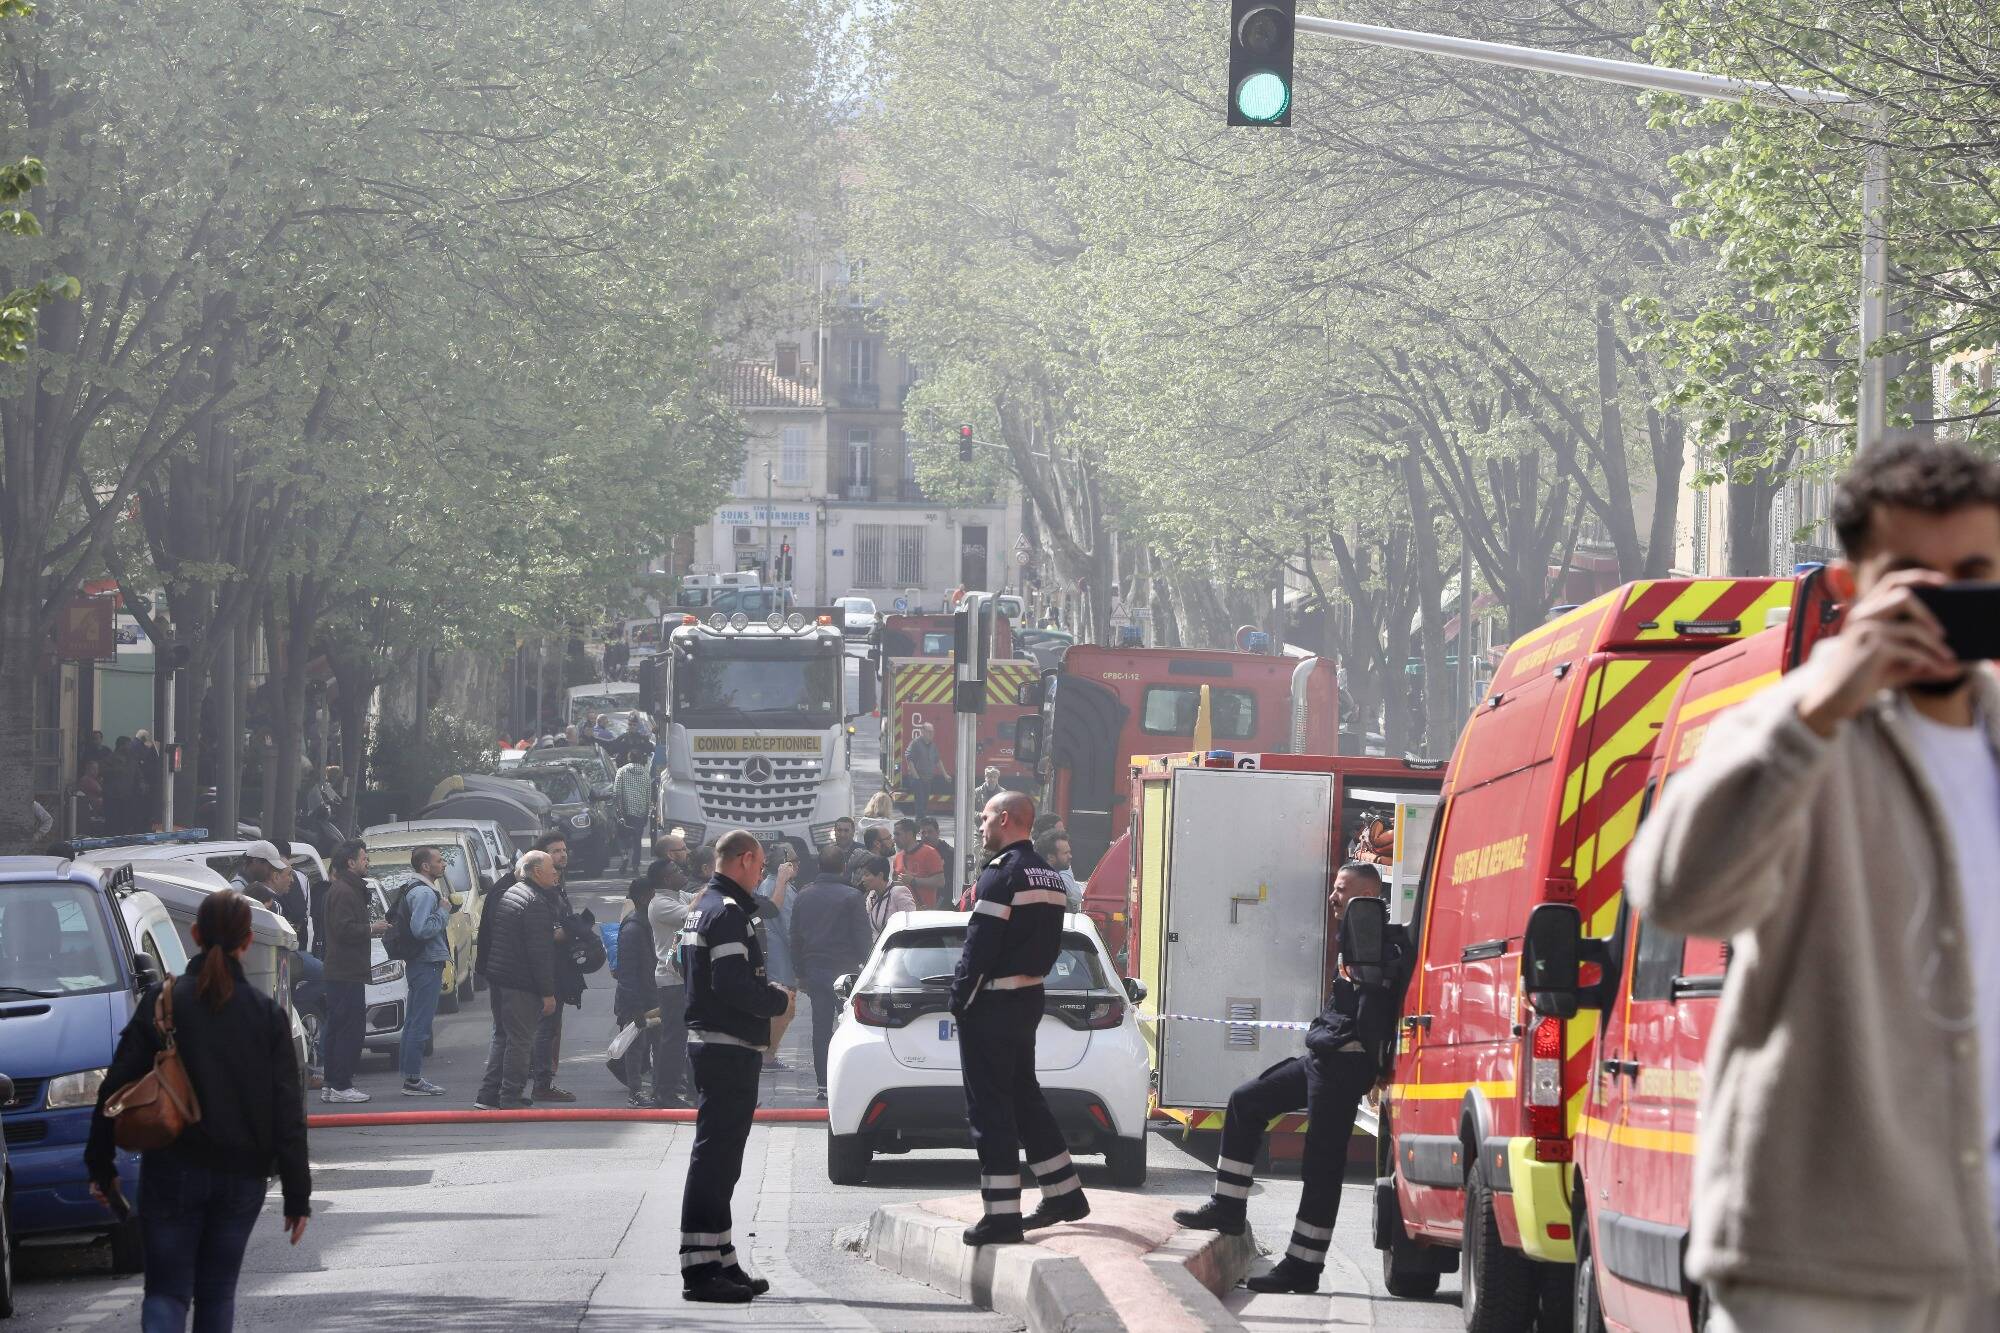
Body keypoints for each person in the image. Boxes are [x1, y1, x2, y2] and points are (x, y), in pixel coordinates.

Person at [1628, 438, 2000, 1332]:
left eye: (1975, 574)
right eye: (1914, 576)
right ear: (1849, 587)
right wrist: (1818, 707)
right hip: (1818, 1272)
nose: (1945, 600)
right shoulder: (1787, 738)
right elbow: (1679, 891)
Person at [1173, 863, 1409, 1292]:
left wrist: (1375, 1066)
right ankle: (1227, 1209)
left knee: (1321, 1163)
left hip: (1343, 1064)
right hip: (1323, 1057)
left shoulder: (1378, 943)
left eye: (1341, 890)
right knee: (1247, 1102)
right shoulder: (1357, 935)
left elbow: (1376, 1011)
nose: (1333, 898)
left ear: (1368, 893)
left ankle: (1302, 1268)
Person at [85, 890, 311, 1332]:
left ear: (194, 936)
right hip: (242, 1176)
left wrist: (100, 1166)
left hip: (172, 1168)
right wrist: (296, 1195)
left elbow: (113, 1089)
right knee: (217, 1294)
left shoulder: (163, 1002)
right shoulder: (266, 1015)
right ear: (247, 942)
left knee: (167, 1292)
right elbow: (287, 1111)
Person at [951, 791, 1089, 1247]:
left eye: (985, 817)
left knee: (990, 1109)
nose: (981, 826)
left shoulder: (999, 875)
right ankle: (1065, 1193)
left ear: (1005, 819)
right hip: (1028, 999)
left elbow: (980, 946)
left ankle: (1002, 1217)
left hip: (990, 1004)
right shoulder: (1049, 875)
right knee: (1025, 1098)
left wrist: (959, 999)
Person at [678, 829, 794, 1303]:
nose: (762, 874)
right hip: (724, 1045)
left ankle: (721, 1258)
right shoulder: (725, 913)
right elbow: (730, 984)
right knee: (715, 1158)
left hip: (721, 1044)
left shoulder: (708, 907)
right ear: (745, 860)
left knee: (724, 1160)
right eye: (762, 866)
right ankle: (701, 1272)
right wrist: (776, 999)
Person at [475, 850, 563, 1110]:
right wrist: (547, 993)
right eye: (551, 869)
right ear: (537, 872)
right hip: (520, 983)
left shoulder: (512, 892)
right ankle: (510, 1095)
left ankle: (488, 1094)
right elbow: (539, 952)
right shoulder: (534, 902)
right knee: (520, 1040)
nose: (556, 873)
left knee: (504, 1036)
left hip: (502, 978)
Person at [790, 844, 874, 1099]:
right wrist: (868, 966)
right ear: (844, 867)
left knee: (821, 1029)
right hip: (846, 972)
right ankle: (850, 1082)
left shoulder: (804, 895)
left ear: (818, 867)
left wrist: (800, 972)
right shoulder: (851, 896)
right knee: (853, 1026)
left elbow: (795, 936)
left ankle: (823, 1084)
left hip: (815, 969)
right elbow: (862, 937)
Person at [321, 841, 383, 1103]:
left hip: (344, 970)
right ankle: (341, 1084)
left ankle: (332, 1083)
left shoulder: (347, 889)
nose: (367, 862)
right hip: (346, 971)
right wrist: (372, 928)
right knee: (349, 1029)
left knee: (338, 1026)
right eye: (363, 858)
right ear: (350, 863)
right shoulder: (344, 891)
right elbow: (344, 929)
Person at [397, 846, 452, 1097]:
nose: (444, 864)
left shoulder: (415, 889)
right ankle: (413, 1080)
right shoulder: (424, 894)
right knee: (420, 1022)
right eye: (439, 861)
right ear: (425, 867)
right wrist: (443, 911)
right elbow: (421, 929)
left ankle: (410, 1075)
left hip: (422, 962)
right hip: (426, 961)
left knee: (413, 1021)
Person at [529, 832, 579, 1103]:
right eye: (555, 851)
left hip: (558, 968)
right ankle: (541, 1082)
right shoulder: (541, 893)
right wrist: (569, 931)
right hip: (546, 969)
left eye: (564, 849)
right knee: (544, 1026)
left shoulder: (557, 886)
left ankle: (545, 1077)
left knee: (552, 1025)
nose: (562, 855)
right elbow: (545, 935)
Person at [647, 859, 694, 1107]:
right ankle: (665, 1092)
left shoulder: (679, 895)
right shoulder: (661, 904)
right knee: (673, 1038)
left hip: (688, 977)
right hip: (672, 980)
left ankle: (690, 1091)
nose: (682, 872)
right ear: (666, 879)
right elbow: (694, 912)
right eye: (677, 870)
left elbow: (698, 898)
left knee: (692, 1038)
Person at [613, 871, 661, 1107]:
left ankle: (658, 1088)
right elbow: (627, 972)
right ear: (644, 897)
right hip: (637, 999)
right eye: (654, 895)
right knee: (636, 1046)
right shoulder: (634, 929)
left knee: (653, 1043)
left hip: (651, 996)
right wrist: (635, 1008)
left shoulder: (646, 924)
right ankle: (635, 1092)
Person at [890, 817, 946, 910]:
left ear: (909, 834)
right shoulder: (898, 857)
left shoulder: (930, 853)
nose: (894, 838)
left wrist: (914, 881)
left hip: (923, 914)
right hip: (902, 913)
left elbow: (940, 882)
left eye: (897, 834)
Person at [858, 855, 915, 938]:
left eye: (866, 875)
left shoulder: (898, 892)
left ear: (880, 875)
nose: (863, 879)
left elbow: (910, 925)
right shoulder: (871, 895)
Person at [614, 749, 652, 872]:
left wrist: (619, 811)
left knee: (621, 836)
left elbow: (616, 793)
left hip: (625, 811)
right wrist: (646, 813)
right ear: (640, 759)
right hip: (640, 812)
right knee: (637, 839)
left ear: (629, 758)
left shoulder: (622, 771)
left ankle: (624, 856)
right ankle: (635, 865)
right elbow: (648, 795)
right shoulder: (646, 773)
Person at [1034, 831, 1084, 912]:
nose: (1070, 856)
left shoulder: (1058, 873)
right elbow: (1069, 890)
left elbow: (1078, 896)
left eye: (1069, 852)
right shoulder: (1041, 881)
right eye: (1065, 853)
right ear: (1050, 857)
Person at [902, 721, 943, 816]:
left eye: (932, 732)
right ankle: (919, 822)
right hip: (917, 778)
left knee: (925, 802)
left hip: (927, 778)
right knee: (920, 802)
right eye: (929, 731)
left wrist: (945, 775)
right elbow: (908, 757)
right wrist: (915, 776)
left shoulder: (932, 745)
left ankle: (922, 822)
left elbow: (937, 760)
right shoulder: (916, 743)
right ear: (922, 731)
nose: (931, 734)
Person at [918, 815, 956, 885]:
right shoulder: (915, 851)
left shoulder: (950, 854)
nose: (926, 835)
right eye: (923, 832)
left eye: (930, 832)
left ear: (938, 832)